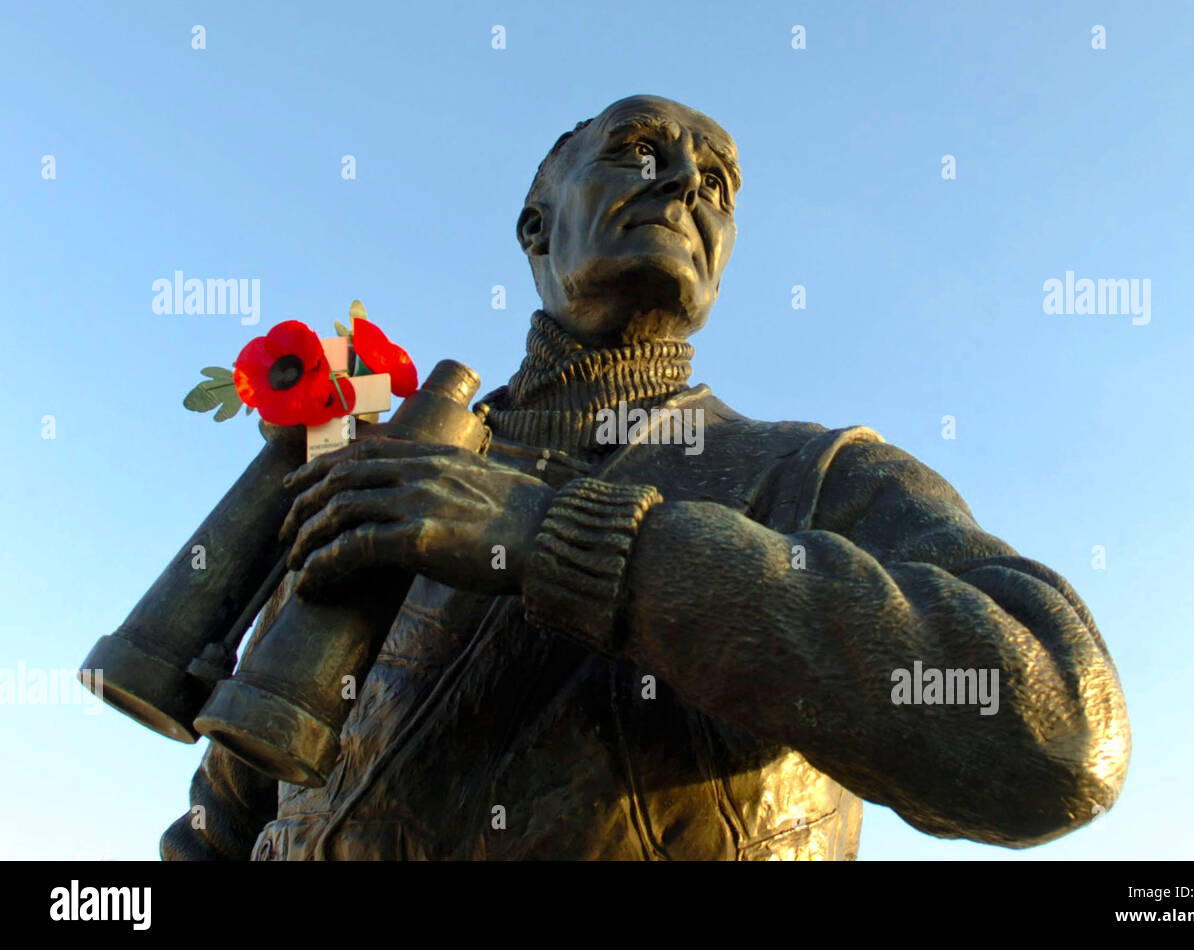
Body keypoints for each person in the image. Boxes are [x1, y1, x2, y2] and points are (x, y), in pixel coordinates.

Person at [162, 94, 1130, 860]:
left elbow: (1057, 741)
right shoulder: (395, 467)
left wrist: (564, 541)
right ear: (536, 225)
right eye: (637, 151)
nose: (684, 186)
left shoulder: (815, 470)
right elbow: (228, 813)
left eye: (717, 181)